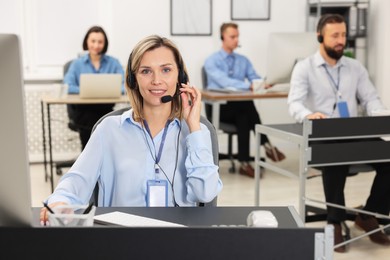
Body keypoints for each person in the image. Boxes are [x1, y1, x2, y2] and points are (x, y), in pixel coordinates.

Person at [40, 35, 223, 223]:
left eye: (166, 70)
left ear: (180, 77)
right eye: (146, 71)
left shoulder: (197, 132)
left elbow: (205, 193)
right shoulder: (109, 130)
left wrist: (193, 126)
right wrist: (59, 202)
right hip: (120, 238)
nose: (156, 80)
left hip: (177, 238)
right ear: (133, 79)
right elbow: (76, 181)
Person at [288, 13, 390, 253]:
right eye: (335, 35)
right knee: (336, 157)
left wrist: (380, 115)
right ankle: (334, 221)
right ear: (320, 36)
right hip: (323, 134)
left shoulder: (355, 68)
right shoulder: (305, 68)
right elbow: (294, 103)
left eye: (344, 35)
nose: (341, 40)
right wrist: (307, 114)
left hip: (353, 131)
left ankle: (369, 214)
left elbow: (371, 99)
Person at [204, 22, 285, 178]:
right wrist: (249, 86)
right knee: (246, 105)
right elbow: (224, 82)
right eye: (232, 36)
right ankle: (266, 145)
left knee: (243, 115)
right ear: (223, 37)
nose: (236, 40)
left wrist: (264, 83)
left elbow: (255, 78)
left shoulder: (243, 60)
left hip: (239, 110)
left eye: (237, 36)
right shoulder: (212, 61)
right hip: (220, 109)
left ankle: (244, 163)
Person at [64, 26, 124, 149]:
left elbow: (124, 86)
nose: (96, 45)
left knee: (108, 121)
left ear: (105, 44)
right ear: (87, 42)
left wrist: (107, 91)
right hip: (83, 110)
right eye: (93, 41)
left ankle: (99, 161)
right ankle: (91, 160)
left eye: (100, 42)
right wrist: (86, 90)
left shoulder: (114, 63)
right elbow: (67, 86)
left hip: (106, 109)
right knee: (92, 123)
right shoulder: (77, 64)